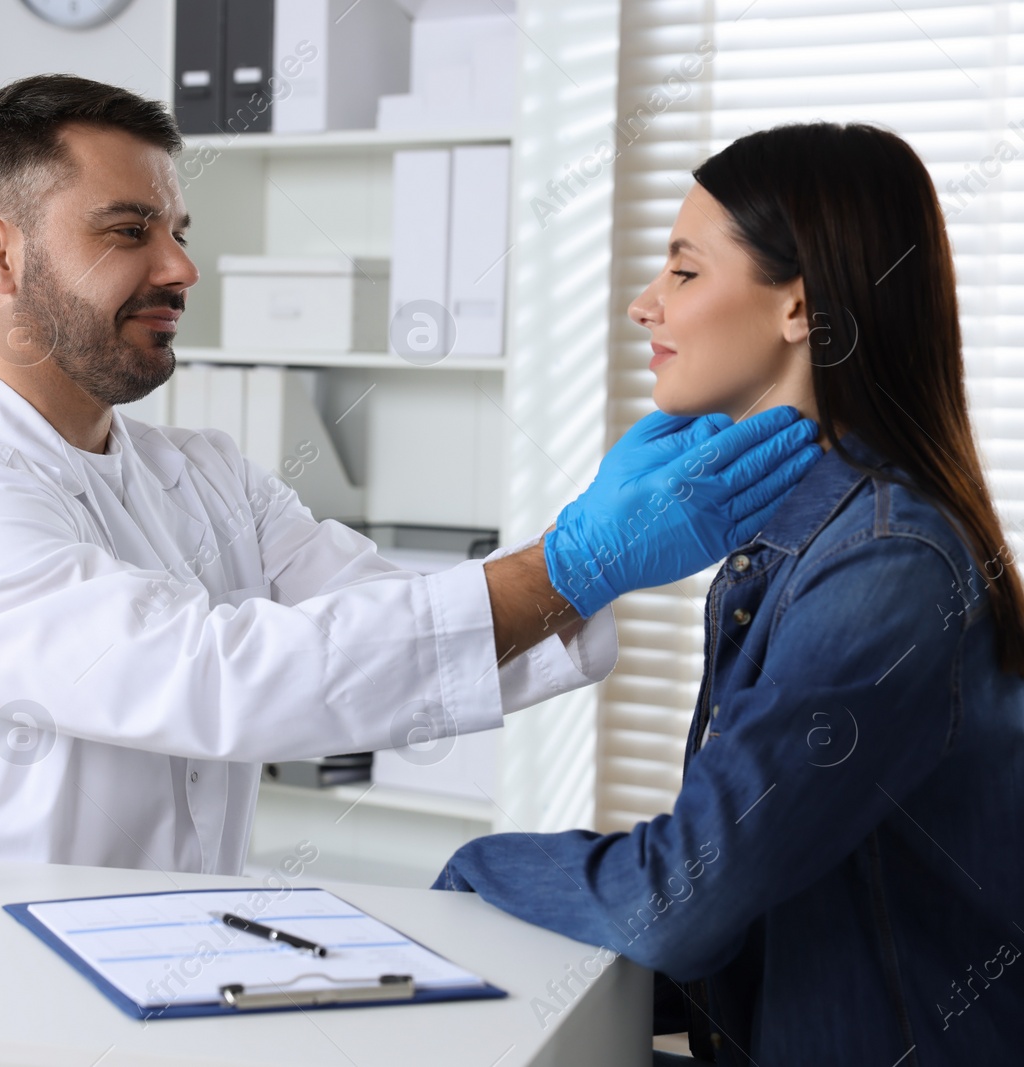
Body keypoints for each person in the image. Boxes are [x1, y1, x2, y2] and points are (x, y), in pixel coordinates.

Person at [0, 74, 818, 875]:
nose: (180, 269)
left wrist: (580, 556)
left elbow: (386, 619)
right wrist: (568, 562)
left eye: (179, 231)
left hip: (159, 977)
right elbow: (220, 678)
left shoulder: (201, 473)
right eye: (129, 231)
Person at [433, 122, 1024, 1064]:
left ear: (801, 306)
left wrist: (482, 867)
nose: (643, 306)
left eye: (683, 271)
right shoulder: (802, 539)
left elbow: (685, 897)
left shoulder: (886, 565)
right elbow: (751, 885)